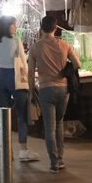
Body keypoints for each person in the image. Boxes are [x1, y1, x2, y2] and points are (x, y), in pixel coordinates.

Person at [28, 15, 79, 172]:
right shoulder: (64, 44)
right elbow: (77, 64)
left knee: (49, 128)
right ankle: (61, 159)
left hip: (45, 89)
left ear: (41, 28)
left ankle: (54, 163)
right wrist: (65, 69)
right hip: (63, 89)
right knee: (59, 123)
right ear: (56, 28)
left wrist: (31, 92)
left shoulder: (36, 47)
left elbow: (30, 73)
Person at [0, 16, 37, 163]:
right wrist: (29, 83)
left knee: (4, 116)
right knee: (22, 115)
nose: (16, 27)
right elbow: (23, 62)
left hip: (0, 78)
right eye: (14, 25)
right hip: (15, 77)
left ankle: (6, 150)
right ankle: (23, 149)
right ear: (8, 26)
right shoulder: (15, 41)